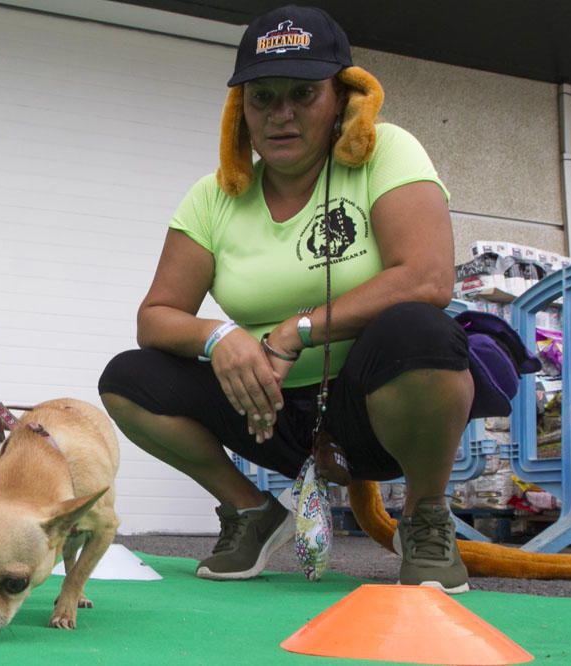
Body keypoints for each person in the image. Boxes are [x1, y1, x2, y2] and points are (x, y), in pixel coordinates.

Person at [98, 5, 475, 594]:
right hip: (266, 408)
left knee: (420, 330)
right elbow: (156, 316)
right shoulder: (214, 195)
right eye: (262, 97)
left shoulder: (388, 151)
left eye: (303, 93)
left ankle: (426, 518)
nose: (281, 114)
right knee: (129, 377)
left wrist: (292, 331)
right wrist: (220, 337)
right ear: (241, 111)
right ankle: (250, 512)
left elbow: (427, 277)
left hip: (373, 409)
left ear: (342, 102)